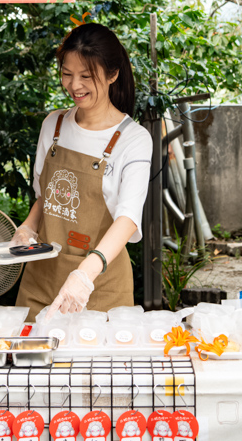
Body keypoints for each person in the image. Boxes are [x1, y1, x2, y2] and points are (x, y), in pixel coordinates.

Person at [15, 22, 151, 321]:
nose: (74, 85)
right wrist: (26, 228)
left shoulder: (133, 139)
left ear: (112, 75)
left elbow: (128, 219)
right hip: (40, 281)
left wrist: (84, 276)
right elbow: (45, 198)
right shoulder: (53, 125)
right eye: (67, 74)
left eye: (86, 76)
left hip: (100, 286)